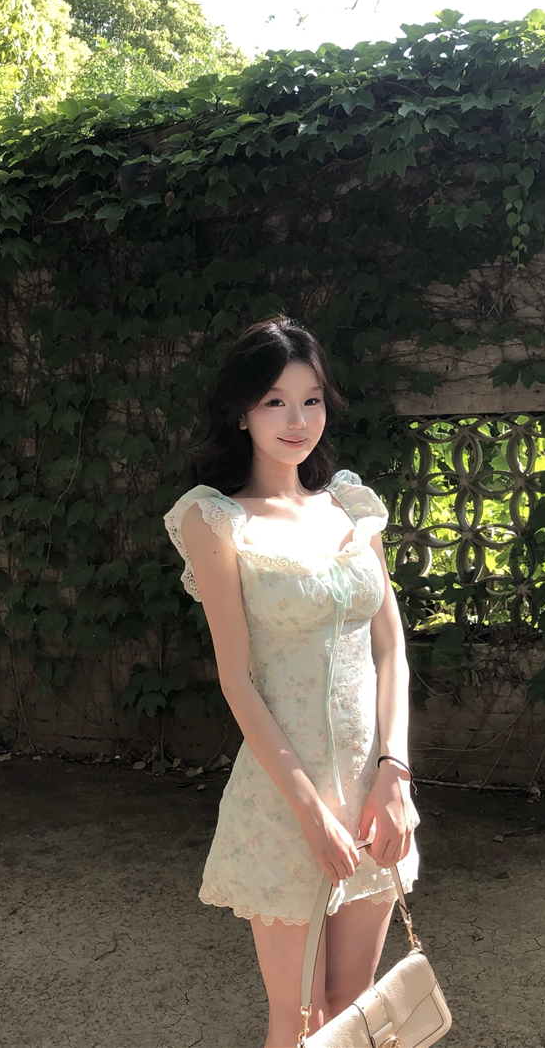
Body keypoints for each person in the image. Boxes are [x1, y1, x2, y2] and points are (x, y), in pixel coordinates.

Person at [163, 315, 421, 1048]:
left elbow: (391, 647)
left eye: (311, 400)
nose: (297, 420)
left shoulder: (350, 506)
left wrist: (395, 776)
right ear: (241, 411)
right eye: (275, 401)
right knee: (299, 1017)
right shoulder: (215, 520)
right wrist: (309, 813)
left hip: (374, 798)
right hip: (284, 804)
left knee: (354, 1007)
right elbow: (236, 678)